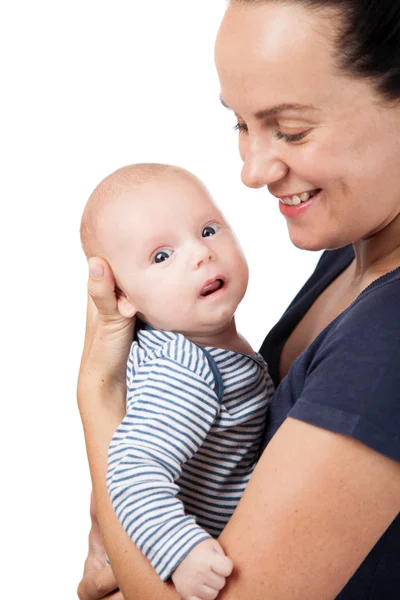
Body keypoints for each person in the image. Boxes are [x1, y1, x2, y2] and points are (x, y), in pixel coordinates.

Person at [77, 1, 400, 599]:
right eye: (240, 125)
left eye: (291, 130)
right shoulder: (352, 248)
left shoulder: (390, 332)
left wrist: (97, 393)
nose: (251, 171)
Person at [79, 162, 274, 600]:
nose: (201, 253)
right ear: (121, 296)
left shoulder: (202, 348)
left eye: (208, 230)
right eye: (161, 256)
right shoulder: (184, 369)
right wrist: (181, 552)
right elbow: (133, 469)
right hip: (163, 564)